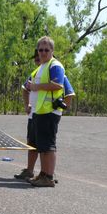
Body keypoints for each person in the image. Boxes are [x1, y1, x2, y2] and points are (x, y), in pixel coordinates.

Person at [15, 48, 74, 182]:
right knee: (33, 143)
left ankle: (47, 175)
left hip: (47, 113)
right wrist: (27, 105)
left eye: (41, 53)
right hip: (35, 114)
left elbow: (69, 93)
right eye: (36, 55)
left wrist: (60, 108)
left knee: (46, 145)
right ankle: (33, 171)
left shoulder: (57, 71)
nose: (38, 57)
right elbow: (25, 89)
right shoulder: (36, 72)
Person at [23, 36, 66, 187]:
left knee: (48, 146)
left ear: (52, 51)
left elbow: (58, 85)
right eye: (40, 50)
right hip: (39, 111)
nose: (42, 52)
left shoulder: (55, 65)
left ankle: (48, 176)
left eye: (46, 50)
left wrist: (36, 86)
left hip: (49, 111)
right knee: (42, 146)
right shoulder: (41, 67)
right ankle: (43, 174)